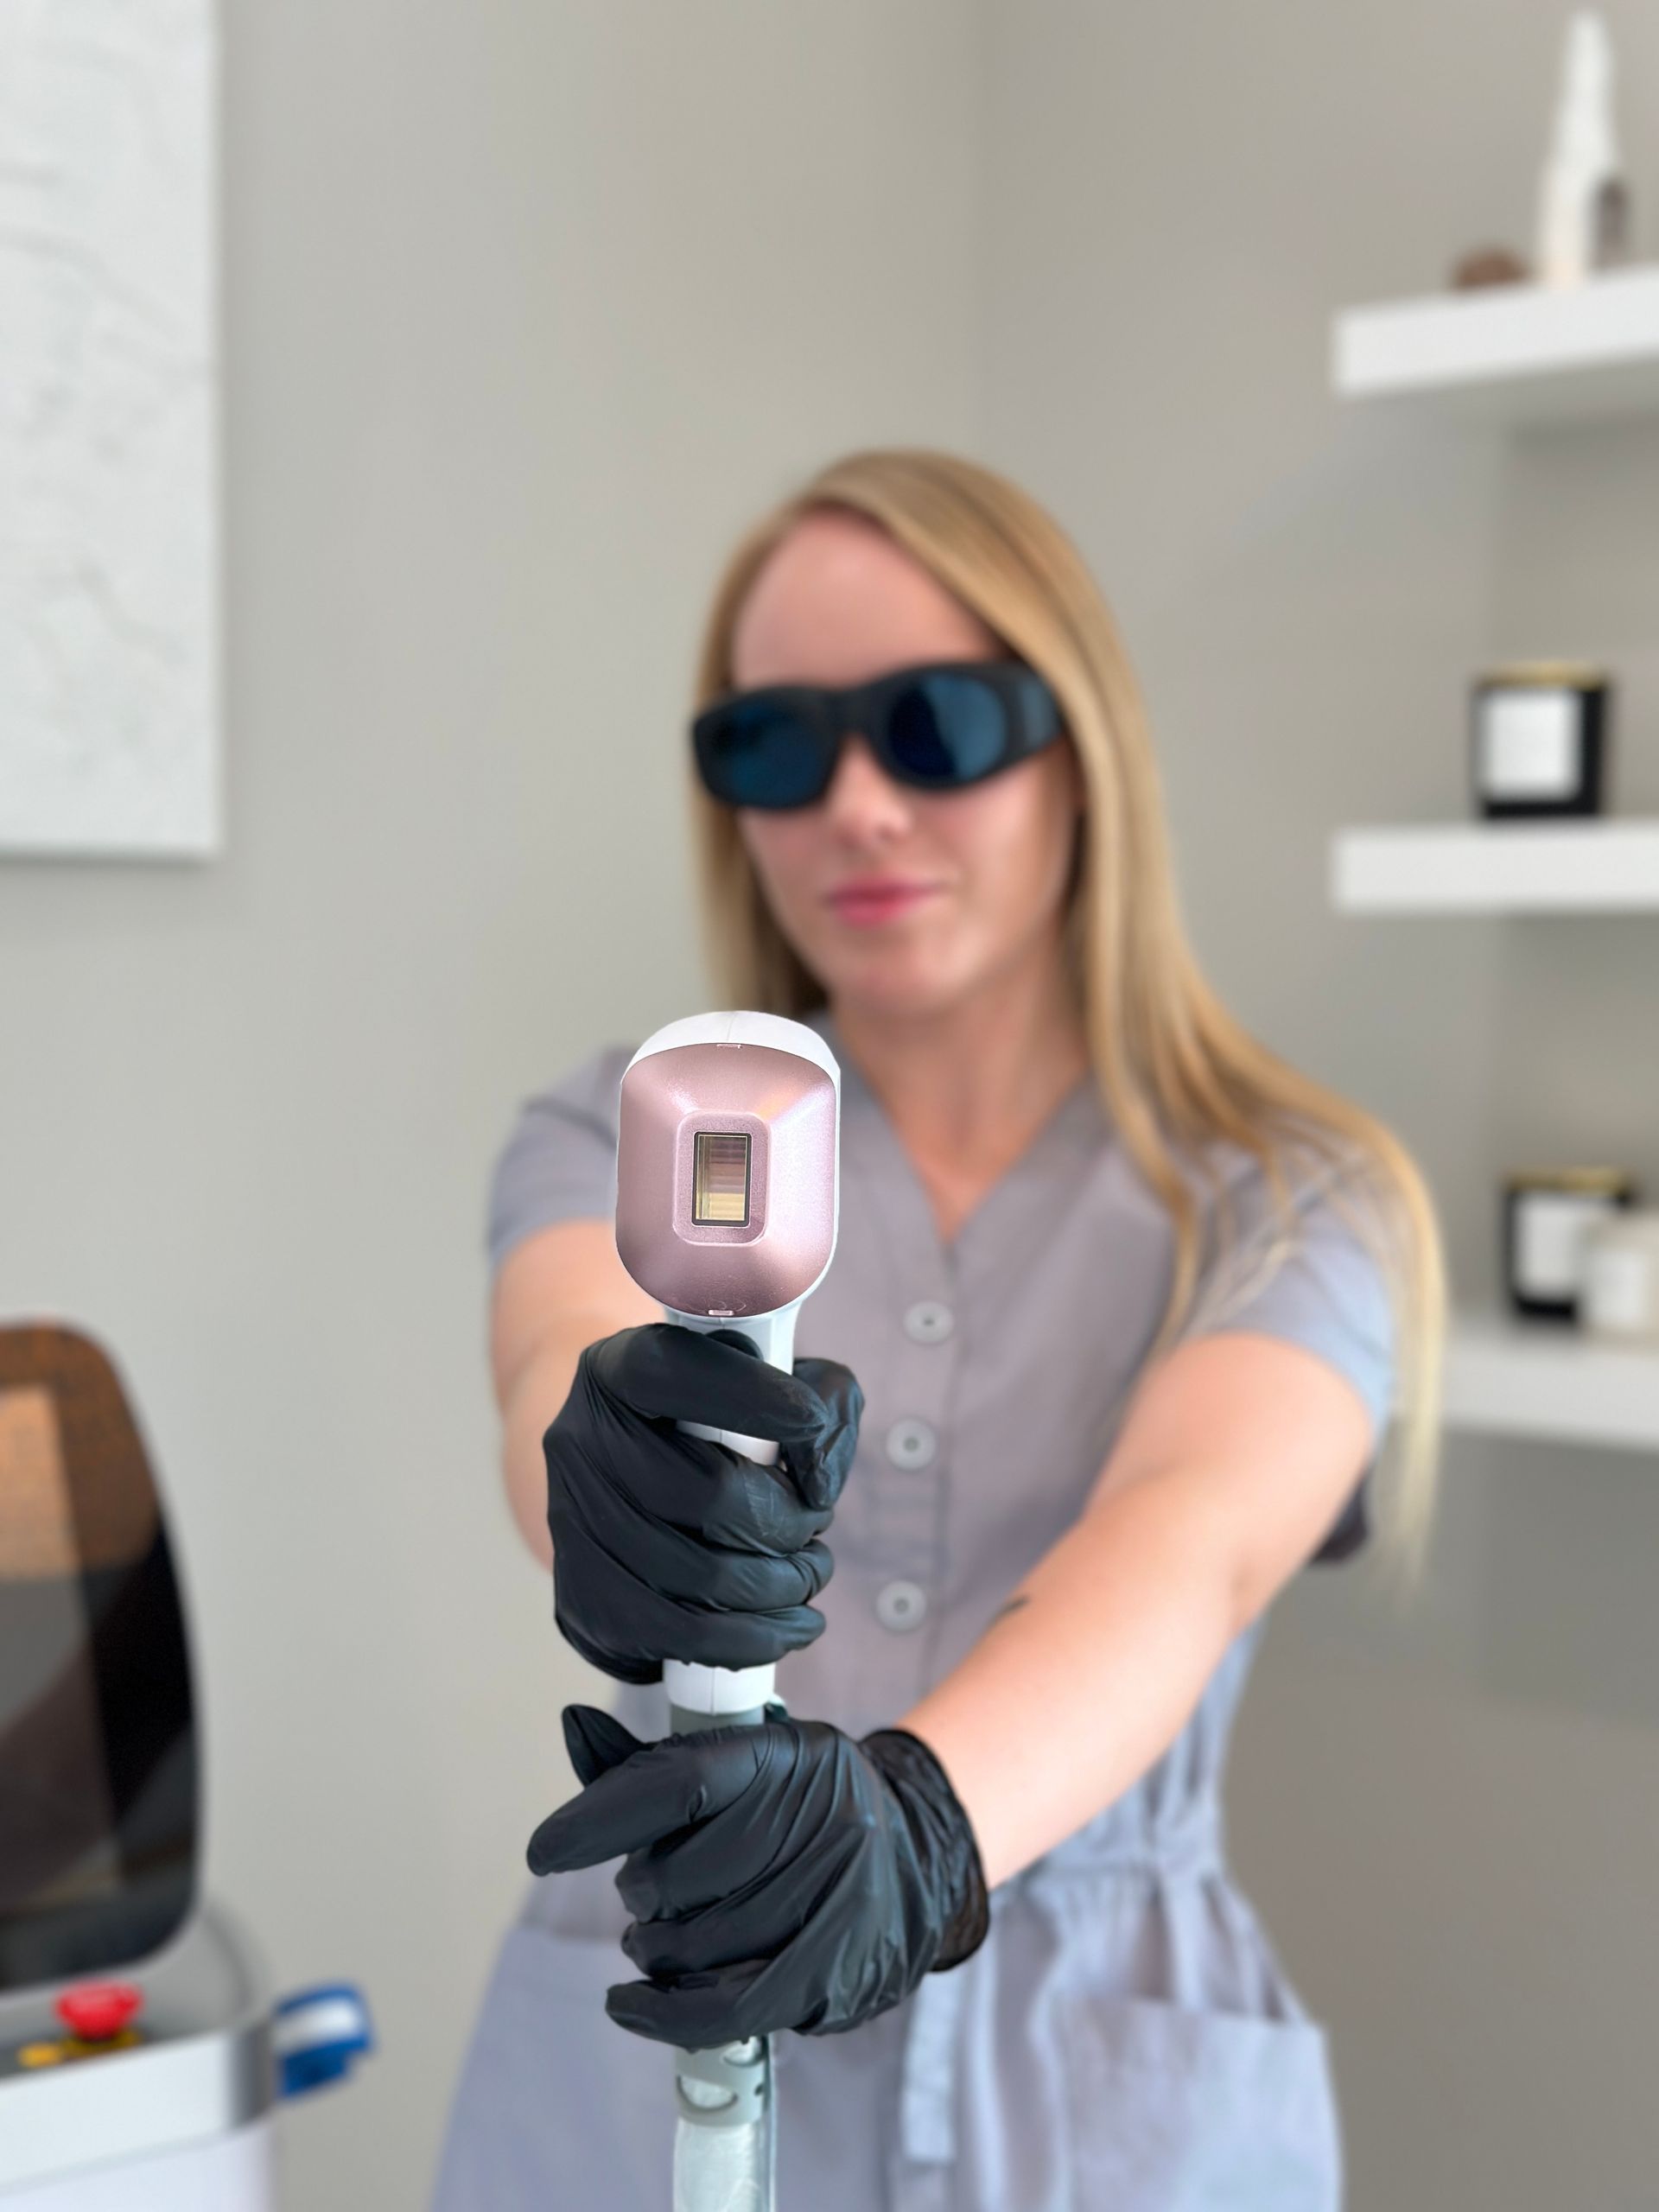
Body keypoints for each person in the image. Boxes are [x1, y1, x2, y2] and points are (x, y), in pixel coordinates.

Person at [432, 449, 1445, 2210]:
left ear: (1084, 747)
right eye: (771, 742)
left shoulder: (1295, 1197)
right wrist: (602, 1449)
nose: (856, 808)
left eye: (935, 725)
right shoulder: (614, 1130)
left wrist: (919, 1821)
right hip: (644, 2050)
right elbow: (560, 1373)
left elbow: (1185, 1541)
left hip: (1100, 2096)